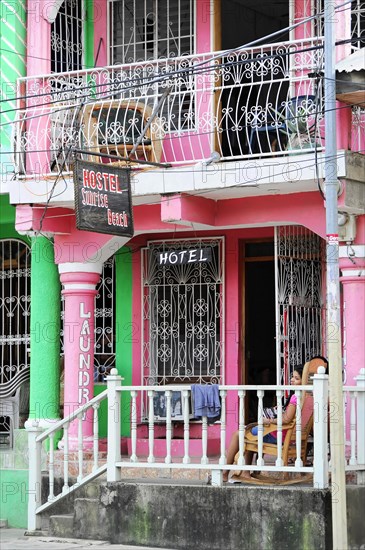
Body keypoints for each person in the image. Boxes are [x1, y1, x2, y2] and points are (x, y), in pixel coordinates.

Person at [223, 365, 304, 482]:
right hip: (286, 434)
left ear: (303, 381)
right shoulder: (306, 396)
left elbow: (286, 420)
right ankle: (245, 473)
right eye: (292, 377)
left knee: (239, 434)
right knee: (249, 433)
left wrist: (269, 420)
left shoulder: (295, 398)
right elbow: (289, 417)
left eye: (296, 378)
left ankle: (225, 473)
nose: (292, 380)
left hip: (278, 434)